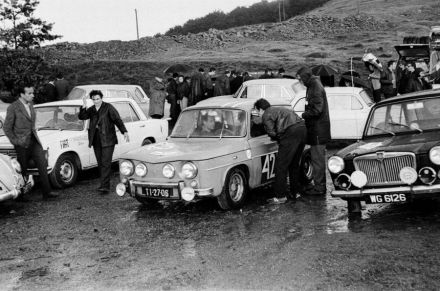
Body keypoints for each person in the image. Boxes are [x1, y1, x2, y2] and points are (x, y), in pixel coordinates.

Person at [3, 84, 56, 200]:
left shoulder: (31, 105)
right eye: (30, 93)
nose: (33, 95)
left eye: (33, 93)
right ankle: (21, 196)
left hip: (34, 140)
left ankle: (47, 193)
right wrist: (16, 141)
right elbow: (7, 128)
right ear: (22, 94)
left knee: (42, 164)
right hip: (21, 143)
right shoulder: (13, 107)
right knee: (23, 168)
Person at [254, 98, 306, 204]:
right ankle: (295, 192)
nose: (257, 114)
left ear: (260, 109)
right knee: (294, 165)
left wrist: (280, 139)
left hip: (290, 133)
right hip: (303, 129)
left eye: (257, 111)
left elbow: (272, 133)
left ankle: (280, 196)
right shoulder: (278, 109)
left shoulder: (266, 115)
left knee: (281, 166)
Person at [78, 90, 129, 193]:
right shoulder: (91, 109)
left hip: (108, 139)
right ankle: (104, 184)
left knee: (106, 162)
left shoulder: (108, 107)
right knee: (100, 163)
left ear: (101, 98)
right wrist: (84, 104)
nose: (96, 101)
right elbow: (82, 117)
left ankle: (105, 186)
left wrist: (124, 131)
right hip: (96, 139)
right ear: (91, 100)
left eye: (98, 99)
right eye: (94, 99)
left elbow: (117, 119)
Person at [296, 67, 331, 196]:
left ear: (305, 77)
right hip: (316, 129)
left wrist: (304, 114)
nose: (300, 81)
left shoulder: (315, 87)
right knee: (317, 158)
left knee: (318, 159)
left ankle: (320, 187)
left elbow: (317, 110)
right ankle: (319, 185)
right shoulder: (313, 85)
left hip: (318, 130)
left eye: (300, 78)